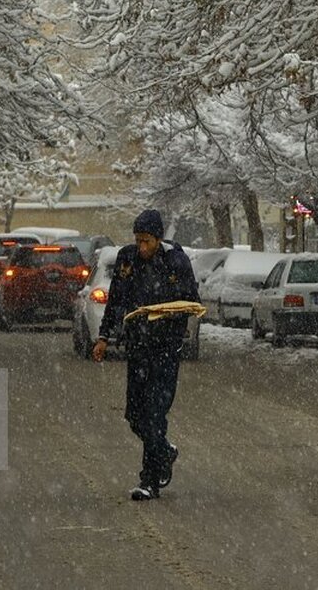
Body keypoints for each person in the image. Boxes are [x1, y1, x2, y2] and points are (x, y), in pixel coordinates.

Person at [93, 209, 198, 501]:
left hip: (165, 349)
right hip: (137, 348)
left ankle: (149, 480)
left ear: (158, 238)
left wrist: (169, 315)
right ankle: (165, 450)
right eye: (138, 241)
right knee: (135, 415)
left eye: (147, 241)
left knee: (155, 414)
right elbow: (116, 300)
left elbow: (191, 300)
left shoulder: (175, 261)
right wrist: (104, 336)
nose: (142, 247)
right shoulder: (128, 260)